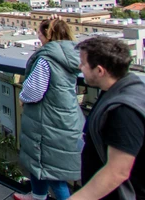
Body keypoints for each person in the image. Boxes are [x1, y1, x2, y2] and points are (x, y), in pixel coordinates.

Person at [68, 36, 145, 200]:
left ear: (99, 71)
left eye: (83, 64)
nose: (79, 67)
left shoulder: (124, 110)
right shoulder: (118, 90)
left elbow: (117, 171)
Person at [15, 19, 83, 200]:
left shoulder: (47, 58)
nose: (37, 35)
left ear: (47, 35)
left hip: (47, 119)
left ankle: (42, 196)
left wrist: (22, 98)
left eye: (39, 32)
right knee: (41, 163)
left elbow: (34, 90)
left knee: (53, 172)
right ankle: (37, 195)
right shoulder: (71, 54)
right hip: (65, 116)